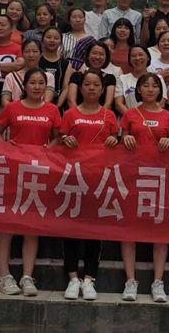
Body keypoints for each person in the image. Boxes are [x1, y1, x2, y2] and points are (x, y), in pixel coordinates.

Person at [0, 68, 60, 296]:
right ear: (25, 86)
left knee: (31, 226)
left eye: (41, 83)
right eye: (32, 83)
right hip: (14, 171)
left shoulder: (52, 110)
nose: (37, 87)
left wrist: (48, 149)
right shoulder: (12, 108)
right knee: (7, 225)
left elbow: (58, 137)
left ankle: (27, 276)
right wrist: (5, 147)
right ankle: (4, 276)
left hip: (39, 174)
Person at [59, 70, 119, 301]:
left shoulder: (109, 116)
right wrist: (66, 140)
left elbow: (116, 147)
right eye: (87, 84)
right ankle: (73, 278)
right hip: (73, 180)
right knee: (71, 230)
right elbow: (59, 144)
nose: (92, 88)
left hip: (99, 180)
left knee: (95, 232)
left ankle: (89, 279)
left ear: (102, 89)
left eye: (96, 85)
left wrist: (115, 140)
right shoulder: (70, 114)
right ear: (80, 88)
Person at [118, 73, 169, 303]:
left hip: (160, 178)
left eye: (155, 85)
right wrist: (125, 140)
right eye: (146, 85)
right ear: (139, 90)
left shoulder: (168, 116)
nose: (150, 89)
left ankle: (158, 282)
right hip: (134, 177)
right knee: (129, 230)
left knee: (160, 231)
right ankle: (130, 281)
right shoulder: (130, 114)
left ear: (160, 90)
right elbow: (122, 141)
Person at [114, 45, 166, 114]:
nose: (137, 58)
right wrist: (133, 117)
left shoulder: (158, 78)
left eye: (141, 54)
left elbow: (161, 102)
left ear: (148, 57)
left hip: (153, 117)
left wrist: (147, 117)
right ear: (129, 59)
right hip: (129, 118)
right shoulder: (122, 79)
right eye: (133, 56)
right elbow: (119, 104)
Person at [2, 39, 55, 106]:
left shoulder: (48, 76)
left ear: (41, 54)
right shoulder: (11, 76)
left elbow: (47, 100)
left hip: (40, 111)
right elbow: (5, 100)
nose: (31, 55)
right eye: (27, 51)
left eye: (35, 51)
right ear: (22, 54)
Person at [66, 41, 117, 109]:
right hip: (76, 114)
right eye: (94, 53)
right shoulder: (76, 76)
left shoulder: (110, 78)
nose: (97, 57)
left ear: (106, 58)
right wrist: (77, 115)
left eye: (101, 54)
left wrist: (100, 116)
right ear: (87, 56)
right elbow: (71, 101)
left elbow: (108, 103)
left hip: (102, 115)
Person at [40, 26, 71, 105]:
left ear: (61, 42)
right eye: (48, 37)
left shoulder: (66, 64)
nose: (52, 40)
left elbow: (66, 88)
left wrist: (57, 106)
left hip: (57, 103)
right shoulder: (37, 59)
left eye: (56, 38)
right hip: (37, 101)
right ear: (42, 40)